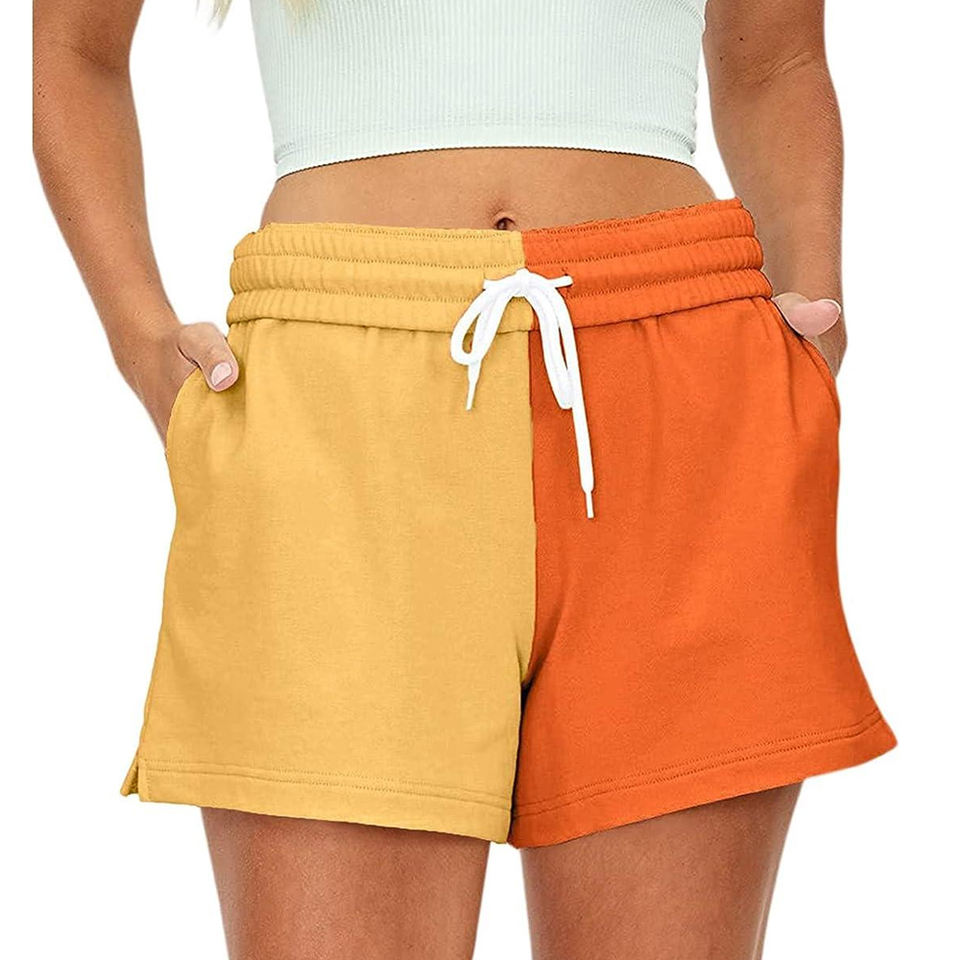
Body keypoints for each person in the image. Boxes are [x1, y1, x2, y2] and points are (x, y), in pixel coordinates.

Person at [33, 1, 895, 957]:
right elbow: (77, 49)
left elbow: (775, 61)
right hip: (334, 407)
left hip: (681, 377)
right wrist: (141, 342)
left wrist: (811, 332)